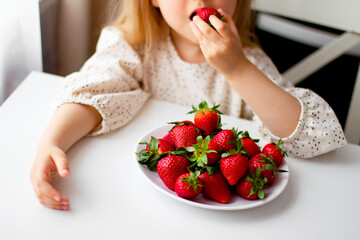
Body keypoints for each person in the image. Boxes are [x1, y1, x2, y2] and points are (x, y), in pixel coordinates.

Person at [30, 0, 346, 210]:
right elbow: (91, 92)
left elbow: (317, 136)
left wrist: (237, 69)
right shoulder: (133, 48)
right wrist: (51, 142)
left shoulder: (249, 65)